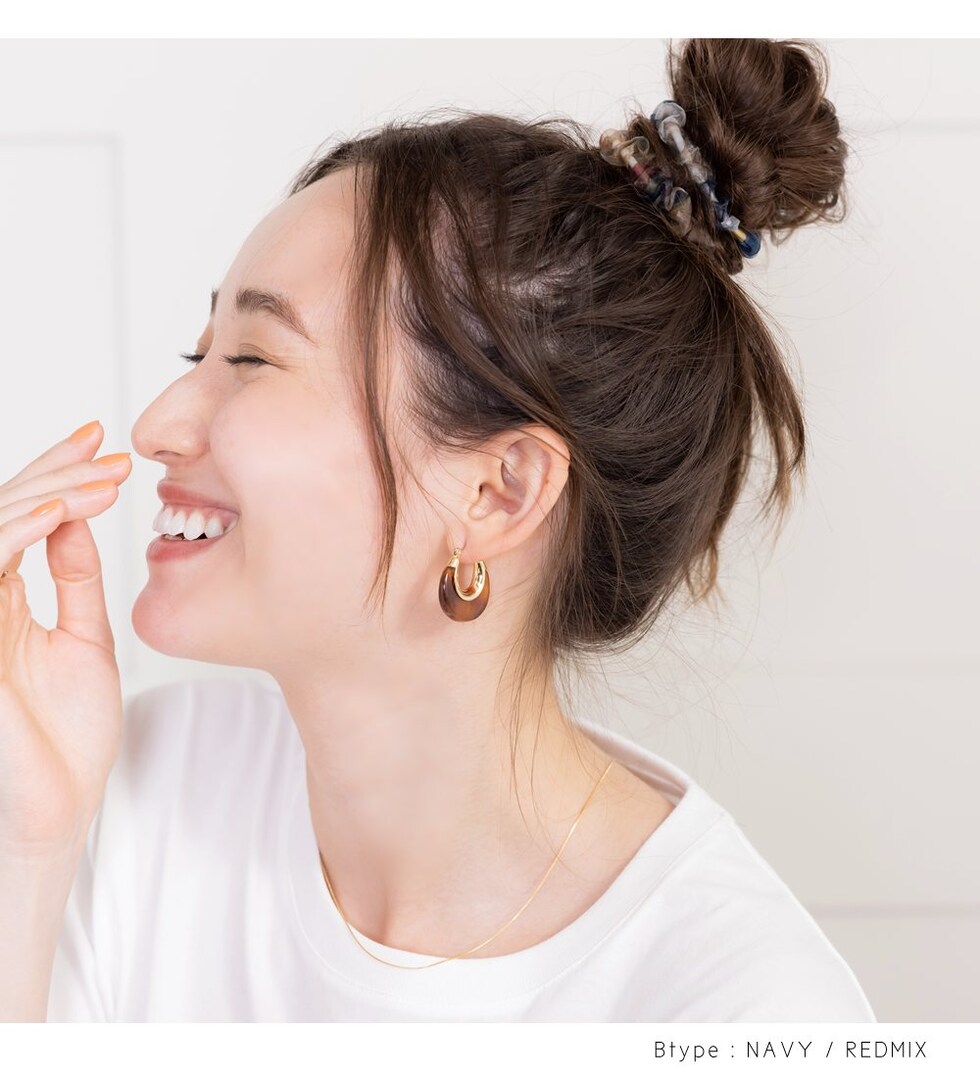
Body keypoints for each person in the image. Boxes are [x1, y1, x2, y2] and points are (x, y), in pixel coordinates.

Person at [1, 38, 876, 1022]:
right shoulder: (137, 788)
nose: (157, 425)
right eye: (196, 353)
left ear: (499, 491)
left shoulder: (743, 1009)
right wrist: (28, 850)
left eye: (250, 360)